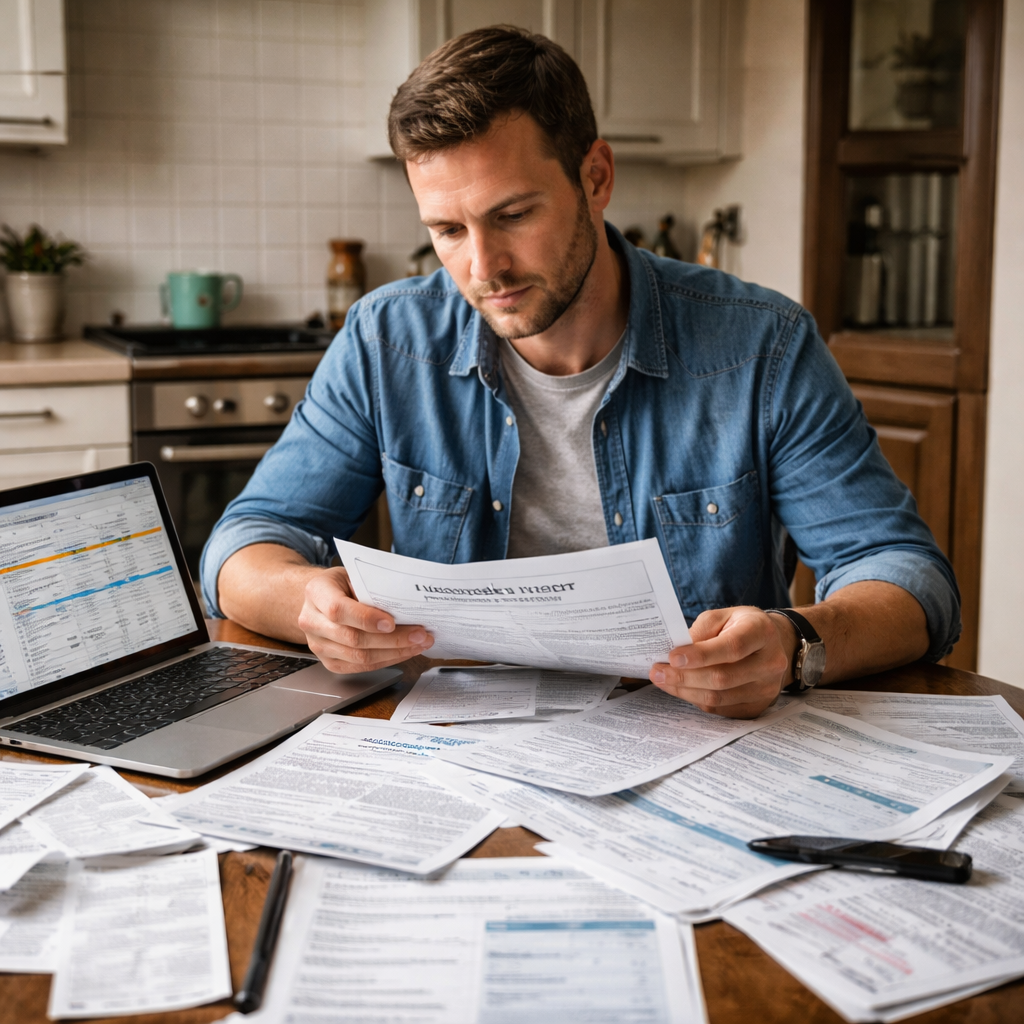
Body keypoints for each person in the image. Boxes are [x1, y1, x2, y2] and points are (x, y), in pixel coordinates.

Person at [201, 27, 960, 720]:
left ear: (595, 177)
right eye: (447, 230)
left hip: (696, 748)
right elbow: (245, 543)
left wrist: (797, 644)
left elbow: (906, 579)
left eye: (513, 215)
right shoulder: (386, 340)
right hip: (453, 753)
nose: (483, 266)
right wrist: (307, 599)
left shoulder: (762, 345)